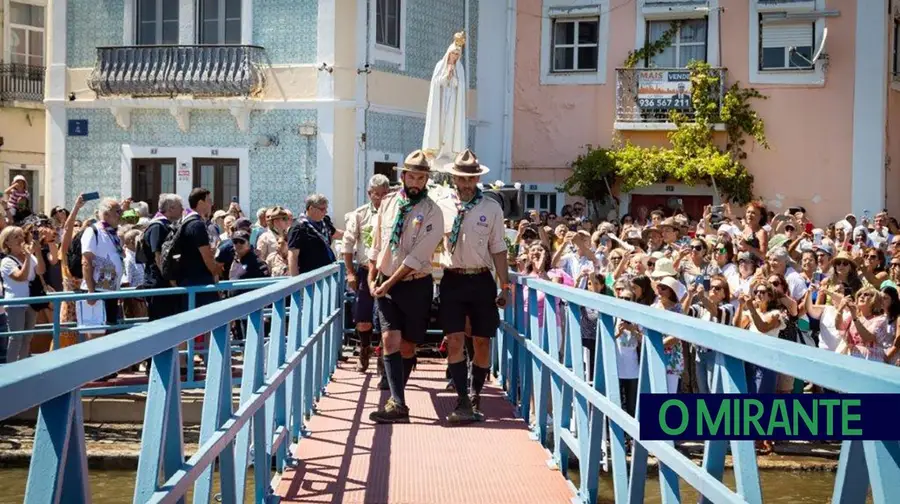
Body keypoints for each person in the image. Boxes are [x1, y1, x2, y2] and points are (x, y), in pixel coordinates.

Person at [366, 150, 444, 423]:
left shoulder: (433, 212)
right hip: (386, 284)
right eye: (412, 176)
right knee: (389, 340)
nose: (416, 182)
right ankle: (398, 402)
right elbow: (377, 242)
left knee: (409, 346)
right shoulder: (387, 203)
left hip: (414, 284)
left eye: (421, 178)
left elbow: (417, 256)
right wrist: (372, 274)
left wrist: (388, 282)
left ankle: (398, 395)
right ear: (403, 176)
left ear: (426, 181)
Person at [437, 149, 509, 423]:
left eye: (471, 179)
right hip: (452, 278)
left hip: (481, 279)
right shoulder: (442, 204)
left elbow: (499, 248)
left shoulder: (491, 207)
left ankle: (476, 393)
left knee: (481, 343)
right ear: (454, 178)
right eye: (462, 179)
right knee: (454, 339)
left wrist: (505, 286)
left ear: (478, 178)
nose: (466, 184)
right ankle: (463, 400)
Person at [343, 174, 391, 373]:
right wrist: (350, 273)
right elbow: (347, 244)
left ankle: (382, 358)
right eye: (375, 194)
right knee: (363, 318)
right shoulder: (360, 214)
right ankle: (364, 350)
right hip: (365, 271)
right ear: (369, 193)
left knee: (385, 319)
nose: (379, 198)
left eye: (383, 194)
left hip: (388, 272)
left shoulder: (395, 213)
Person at [423, 31, 468, 162]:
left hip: (453, 102)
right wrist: (445, 77)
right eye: (453, 53)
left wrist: (453, 80)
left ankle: (449, 152)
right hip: (441, 102)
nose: (455, 56)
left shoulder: (459, 69)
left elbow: (460, 87)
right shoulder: (439, 65)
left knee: (450, 125)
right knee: (440, 123)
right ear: (449, 53)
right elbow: (435, 84)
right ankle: (435, 152)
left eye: (457, 54)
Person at [288, 195, 337, 277]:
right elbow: (293, 256)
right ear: (311, 209)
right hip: (310, 276)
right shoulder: (298, 227)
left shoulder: (324, 222)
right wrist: (296, 281)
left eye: (326, 208)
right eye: (322, 209)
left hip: (327, 272)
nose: (325, 212)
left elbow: (335, 233)